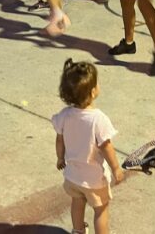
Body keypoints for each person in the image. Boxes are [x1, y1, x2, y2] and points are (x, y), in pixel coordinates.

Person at [52, 59, 122, 234]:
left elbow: (59, 140)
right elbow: (106, 147)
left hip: (73, 175)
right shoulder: (98, 119)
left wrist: (60, 158)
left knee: (77, 203)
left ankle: (77, 231)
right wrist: (116, 168)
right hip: (93, 179)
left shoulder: (64, 115)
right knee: (101, 209)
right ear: (93, 92)